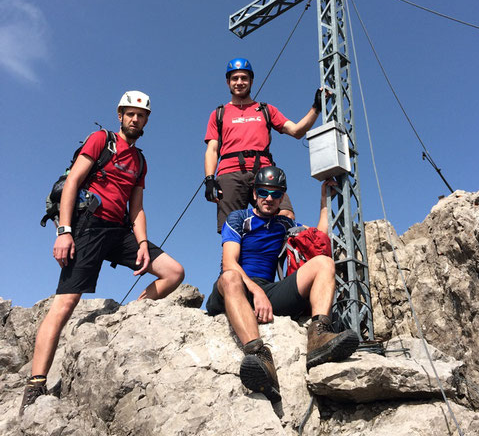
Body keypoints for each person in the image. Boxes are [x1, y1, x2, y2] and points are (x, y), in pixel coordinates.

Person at [20, 91, 185, 414]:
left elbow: (136, 208)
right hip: (89, 226)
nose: (135, 119)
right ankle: (35, 384)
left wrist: (141, 244)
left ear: (146, 121)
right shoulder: (101, 140)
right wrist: (64, 231)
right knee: (66, 301)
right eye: (130, 114)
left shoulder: (140, 161)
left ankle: (131, 315)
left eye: (141, 115)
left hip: (120, 230)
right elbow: (73, 184)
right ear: (120, 116)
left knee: (174, 272)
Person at [206, 166, 359, 402]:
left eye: (276, 194)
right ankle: (259, 356)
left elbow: (318, 238)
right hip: (234, 287)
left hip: (268, 289)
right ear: (255, 194)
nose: (269, 198)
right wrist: (256, 291)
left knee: (324, 263)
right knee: (230, 277)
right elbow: (229, 263)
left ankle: (318, 336)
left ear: (281, 197)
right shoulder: (239, 218)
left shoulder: (283, 225)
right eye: (264, 192)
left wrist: (324, 200)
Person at [204, 58, 326, 232]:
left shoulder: (265, 110)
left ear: (251, 81)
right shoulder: (218, 113)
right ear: (228, 82)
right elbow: (212, 149)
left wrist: (316, 107)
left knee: (285, 216)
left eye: (244, 78)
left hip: (264, 172)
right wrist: (209, 179)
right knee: (232, 229)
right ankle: (233, 260)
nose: (239, 82)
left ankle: (273, 258)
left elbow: (296, 131)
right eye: (235, 78)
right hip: (229, 173)